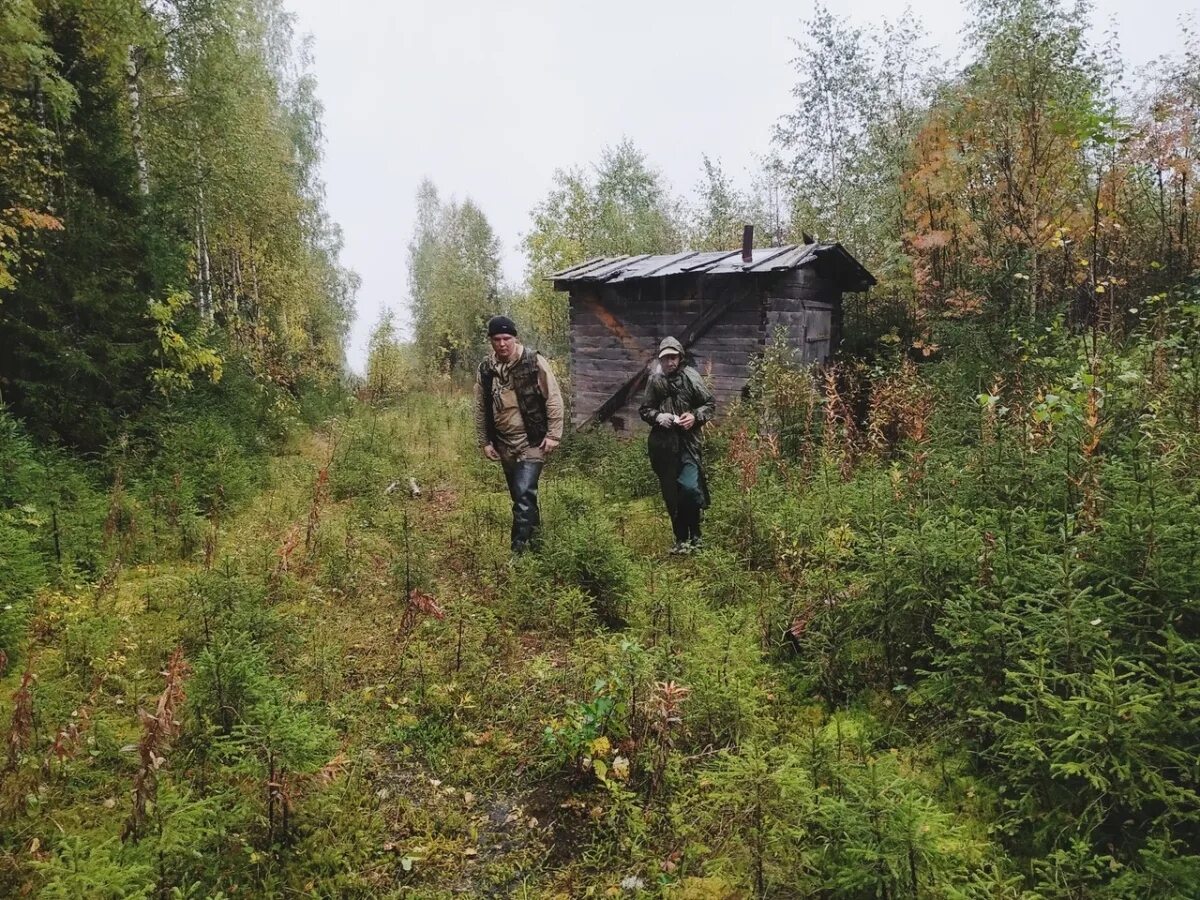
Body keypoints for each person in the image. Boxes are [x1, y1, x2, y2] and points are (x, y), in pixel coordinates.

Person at [474, 315, 564, 554]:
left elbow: (553, 398)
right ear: (491, 341)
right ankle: (538, 544)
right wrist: (485, 441)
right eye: (496, 339)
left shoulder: (533, 362)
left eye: (506, 338)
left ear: (515, 338)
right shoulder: (486, 370)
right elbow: (481, 407)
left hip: (531, 441)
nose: (502, 343)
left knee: (524, 495)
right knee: (521, 497)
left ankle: (518, 552)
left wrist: (554, 434)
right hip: (504, 444)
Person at [638, 336, 716, 554]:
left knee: (690, 489)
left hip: (688, 443)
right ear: (660, 361)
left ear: (680, 357)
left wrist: (694, 416)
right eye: (665, 359)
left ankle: (697, 535)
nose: (669, 362)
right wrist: (658, 417)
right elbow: (645, 410)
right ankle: (681, 539)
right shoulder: (655, 381)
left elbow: (709, 404)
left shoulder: (691, 377)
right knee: (671, 494)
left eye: (673, 357)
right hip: (664, 446)